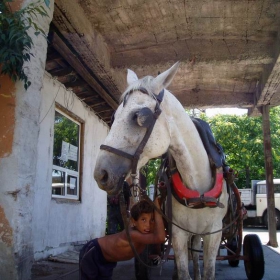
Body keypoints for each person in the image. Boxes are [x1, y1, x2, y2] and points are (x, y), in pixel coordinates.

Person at [79, 197, 165, 280]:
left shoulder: (145, 235)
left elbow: (160, 231)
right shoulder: (132, 234)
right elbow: (160, 238)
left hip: (108, 260)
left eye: (152, 220)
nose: (148, 225)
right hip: (94, 252)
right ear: (134, 222)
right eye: (143, 220)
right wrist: (157, 207)